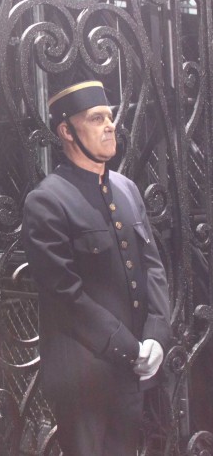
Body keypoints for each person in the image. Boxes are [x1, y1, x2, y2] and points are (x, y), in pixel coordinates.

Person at [21, 80, 172, 455]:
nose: (109, 126)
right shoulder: (47, 200)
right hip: (84, 376)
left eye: (110, 116)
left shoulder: (127, 188)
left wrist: (156, 334)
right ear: (66, 131)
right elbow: (66, 296)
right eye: (96, 118)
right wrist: (130, 348)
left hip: (134, 370)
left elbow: (153, 266)